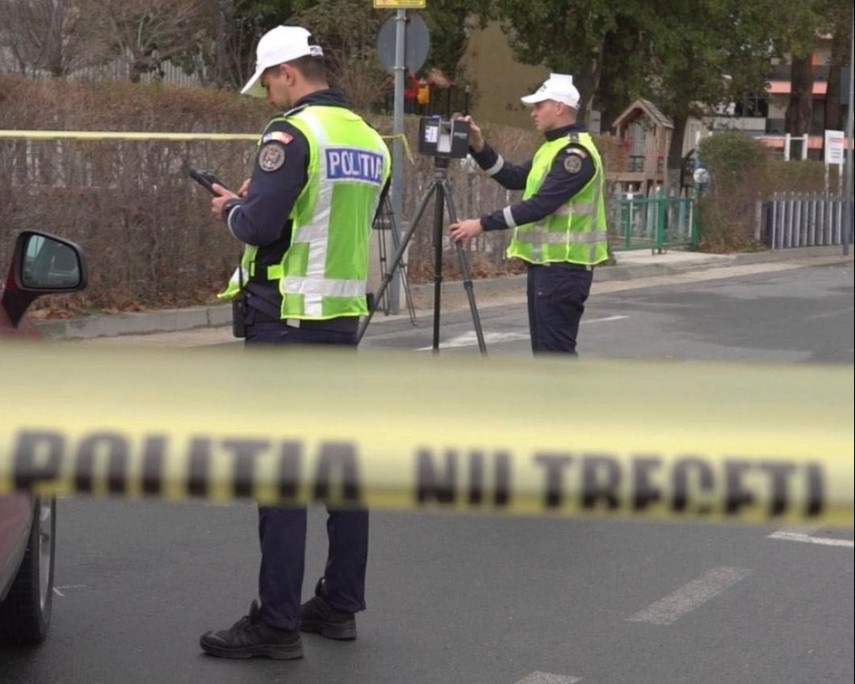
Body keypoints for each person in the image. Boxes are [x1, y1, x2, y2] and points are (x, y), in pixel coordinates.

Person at [198, 25, 390, 661]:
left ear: (286, 72)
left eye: (269, 83)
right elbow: (334, 218)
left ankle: (277, 624)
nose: (269, 97)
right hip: (339, 318)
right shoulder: (369, 139)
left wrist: (232, 206)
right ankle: (338, 606)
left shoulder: (291, 133)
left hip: (285, 320)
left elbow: (258, 226)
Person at [449, 73, 608, 355]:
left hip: (564, 269)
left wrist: (482, 224)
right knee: (547, 356)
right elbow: (511, 177)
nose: (533, 113)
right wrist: (479, 146)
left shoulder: (575, 153)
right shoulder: (552, 148)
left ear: (559, 107)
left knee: (554, 357)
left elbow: (539, 205)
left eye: (539, 106)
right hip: (548, 267)